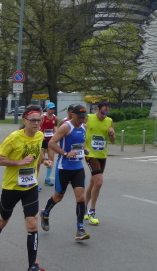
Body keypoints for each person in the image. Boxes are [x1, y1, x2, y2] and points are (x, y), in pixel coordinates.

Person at [0, 104, 50, 271]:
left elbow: (38, 152)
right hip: (12, 187)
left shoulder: (40, 135)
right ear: (25, 120)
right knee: (3, 220)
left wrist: (44, 160)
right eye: (33, 120)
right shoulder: (14, 138)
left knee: (32, 224)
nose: (37, 123)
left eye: (39, 120)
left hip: (30, 186)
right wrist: (19, 162)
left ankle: (32, 265)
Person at [40, 103, 90, 241]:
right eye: (79, 117)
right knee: (58, 197)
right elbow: (52, 143)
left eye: (84, 117)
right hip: (64, 168)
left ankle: (80, 229)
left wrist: (83, 150)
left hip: (78, 167)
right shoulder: (65, 127)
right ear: (72, 114)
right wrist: (65, 153)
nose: (82, 119)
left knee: (81, 197)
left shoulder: (84, 127)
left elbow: (79, 143)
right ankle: (45, 213)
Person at [83, 101, 115, 226]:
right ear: (97, 109)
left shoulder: (109, 121)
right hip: (90, 154)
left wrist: (112, 134)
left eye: (107, 113)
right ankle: (92, 211)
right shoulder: (88, 118)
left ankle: (83, 207)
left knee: (93, 182)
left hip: (102, 155)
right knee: (99, 182)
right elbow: (77, 127)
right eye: (102, 112)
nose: (104, 115)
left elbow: (112, 140)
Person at [40, 102, 58, 187]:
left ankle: (47, 179)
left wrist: (55, 136)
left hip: (50, 140)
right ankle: (34, 179)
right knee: (40, 160)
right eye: (50, 109)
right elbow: (39, 127)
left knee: (51, 159)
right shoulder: (43, 117)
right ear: (47, 109)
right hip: (43, 140)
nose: (52, 110)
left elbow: (53, 127)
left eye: (53, 109)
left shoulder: (55, 117)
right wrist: (41, 136)